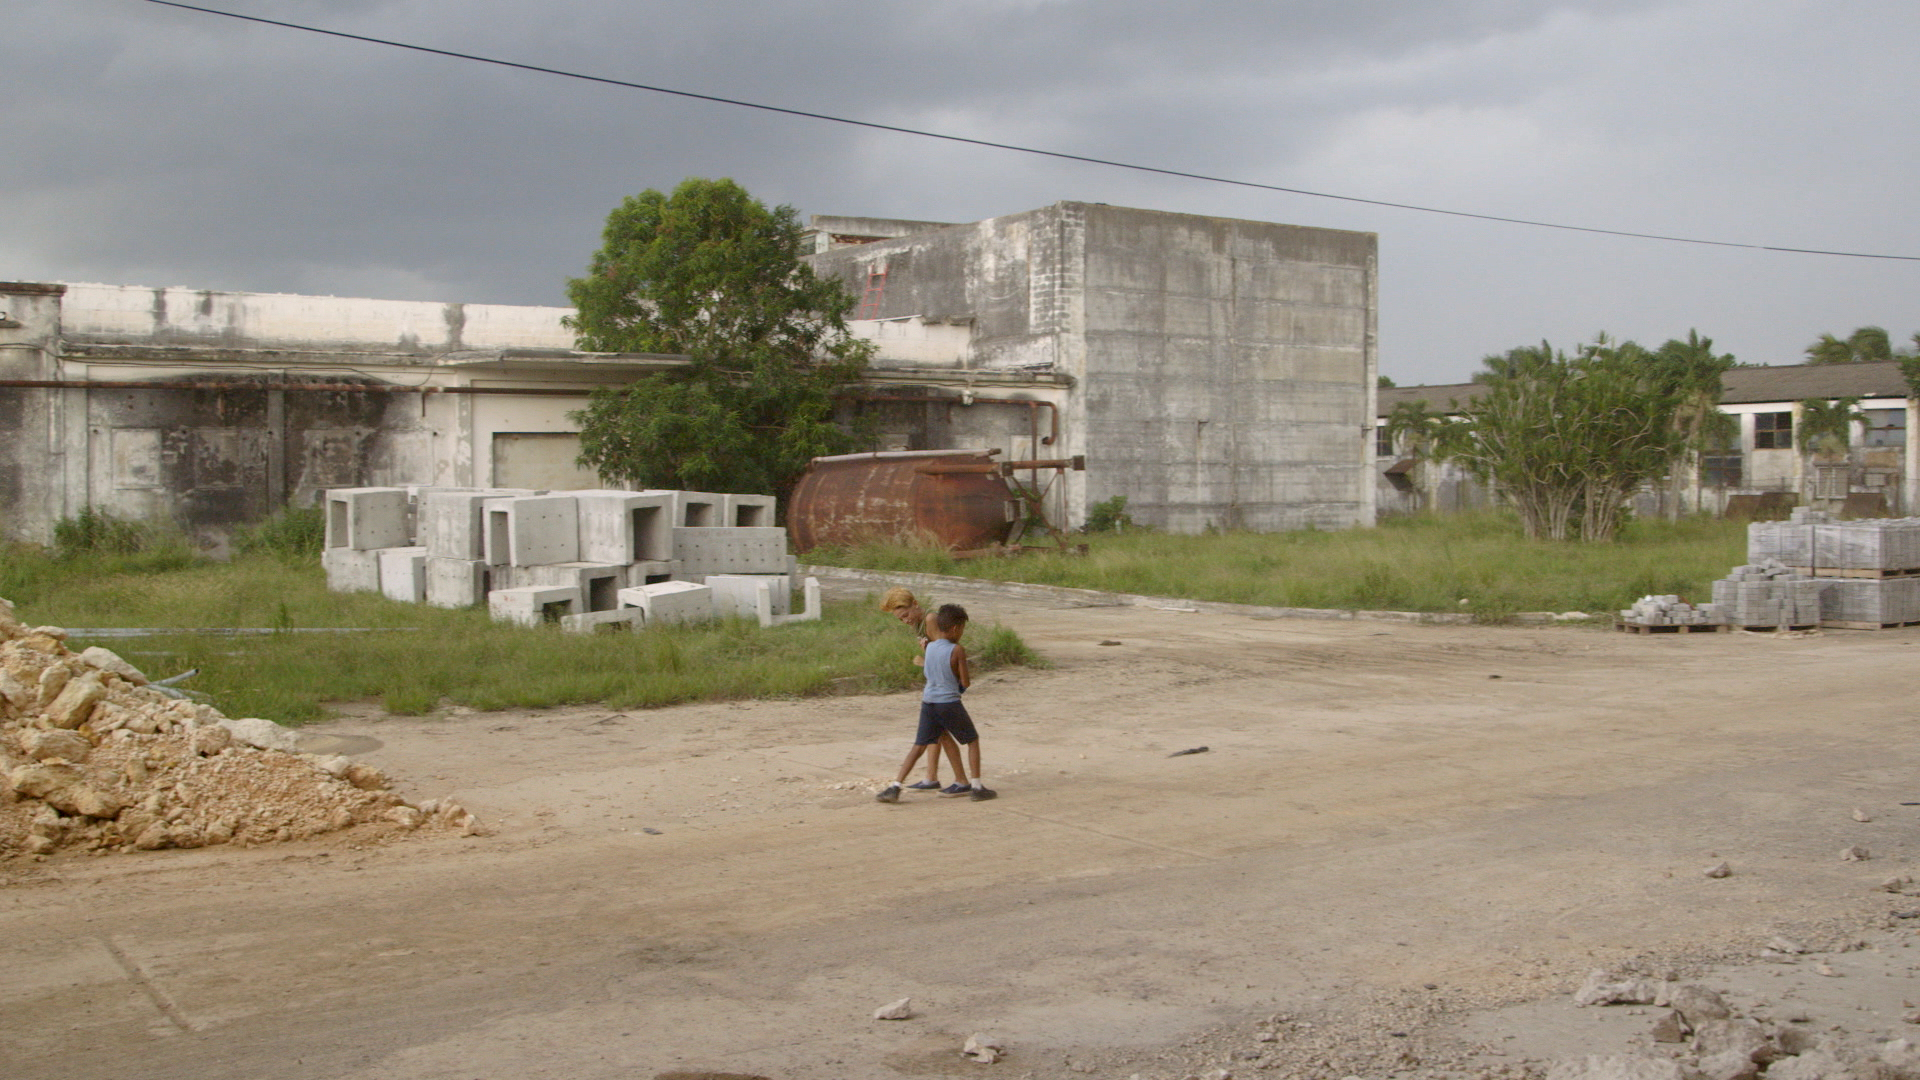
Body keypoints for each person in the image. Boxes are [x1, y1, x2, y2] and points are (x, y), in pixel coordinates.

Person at [876, 603, 996, 803]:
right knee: (972, 740)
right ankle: (976, 786)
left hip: (928, 702)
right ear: (957, 628)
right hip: (948, 702)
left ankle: (895, 787)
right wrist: (958, 686)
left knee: (919, 745)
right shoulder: (957, 650)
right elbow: (966, 682)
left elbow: (928, 672)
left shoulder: (929, 647)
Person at [877, 588, 964, 791]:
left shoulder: (931, 620)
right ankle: (932, 777)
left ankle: (962, 781)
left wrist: (924, 663)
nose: (905, 620)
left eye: (906, 615)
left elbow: (947, 653)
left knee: (941, 732)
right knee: (937, 732)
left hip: (945, 684)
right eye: (900, 619)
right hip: (937, 683)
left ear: (915, 603)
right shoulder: (918, 624)